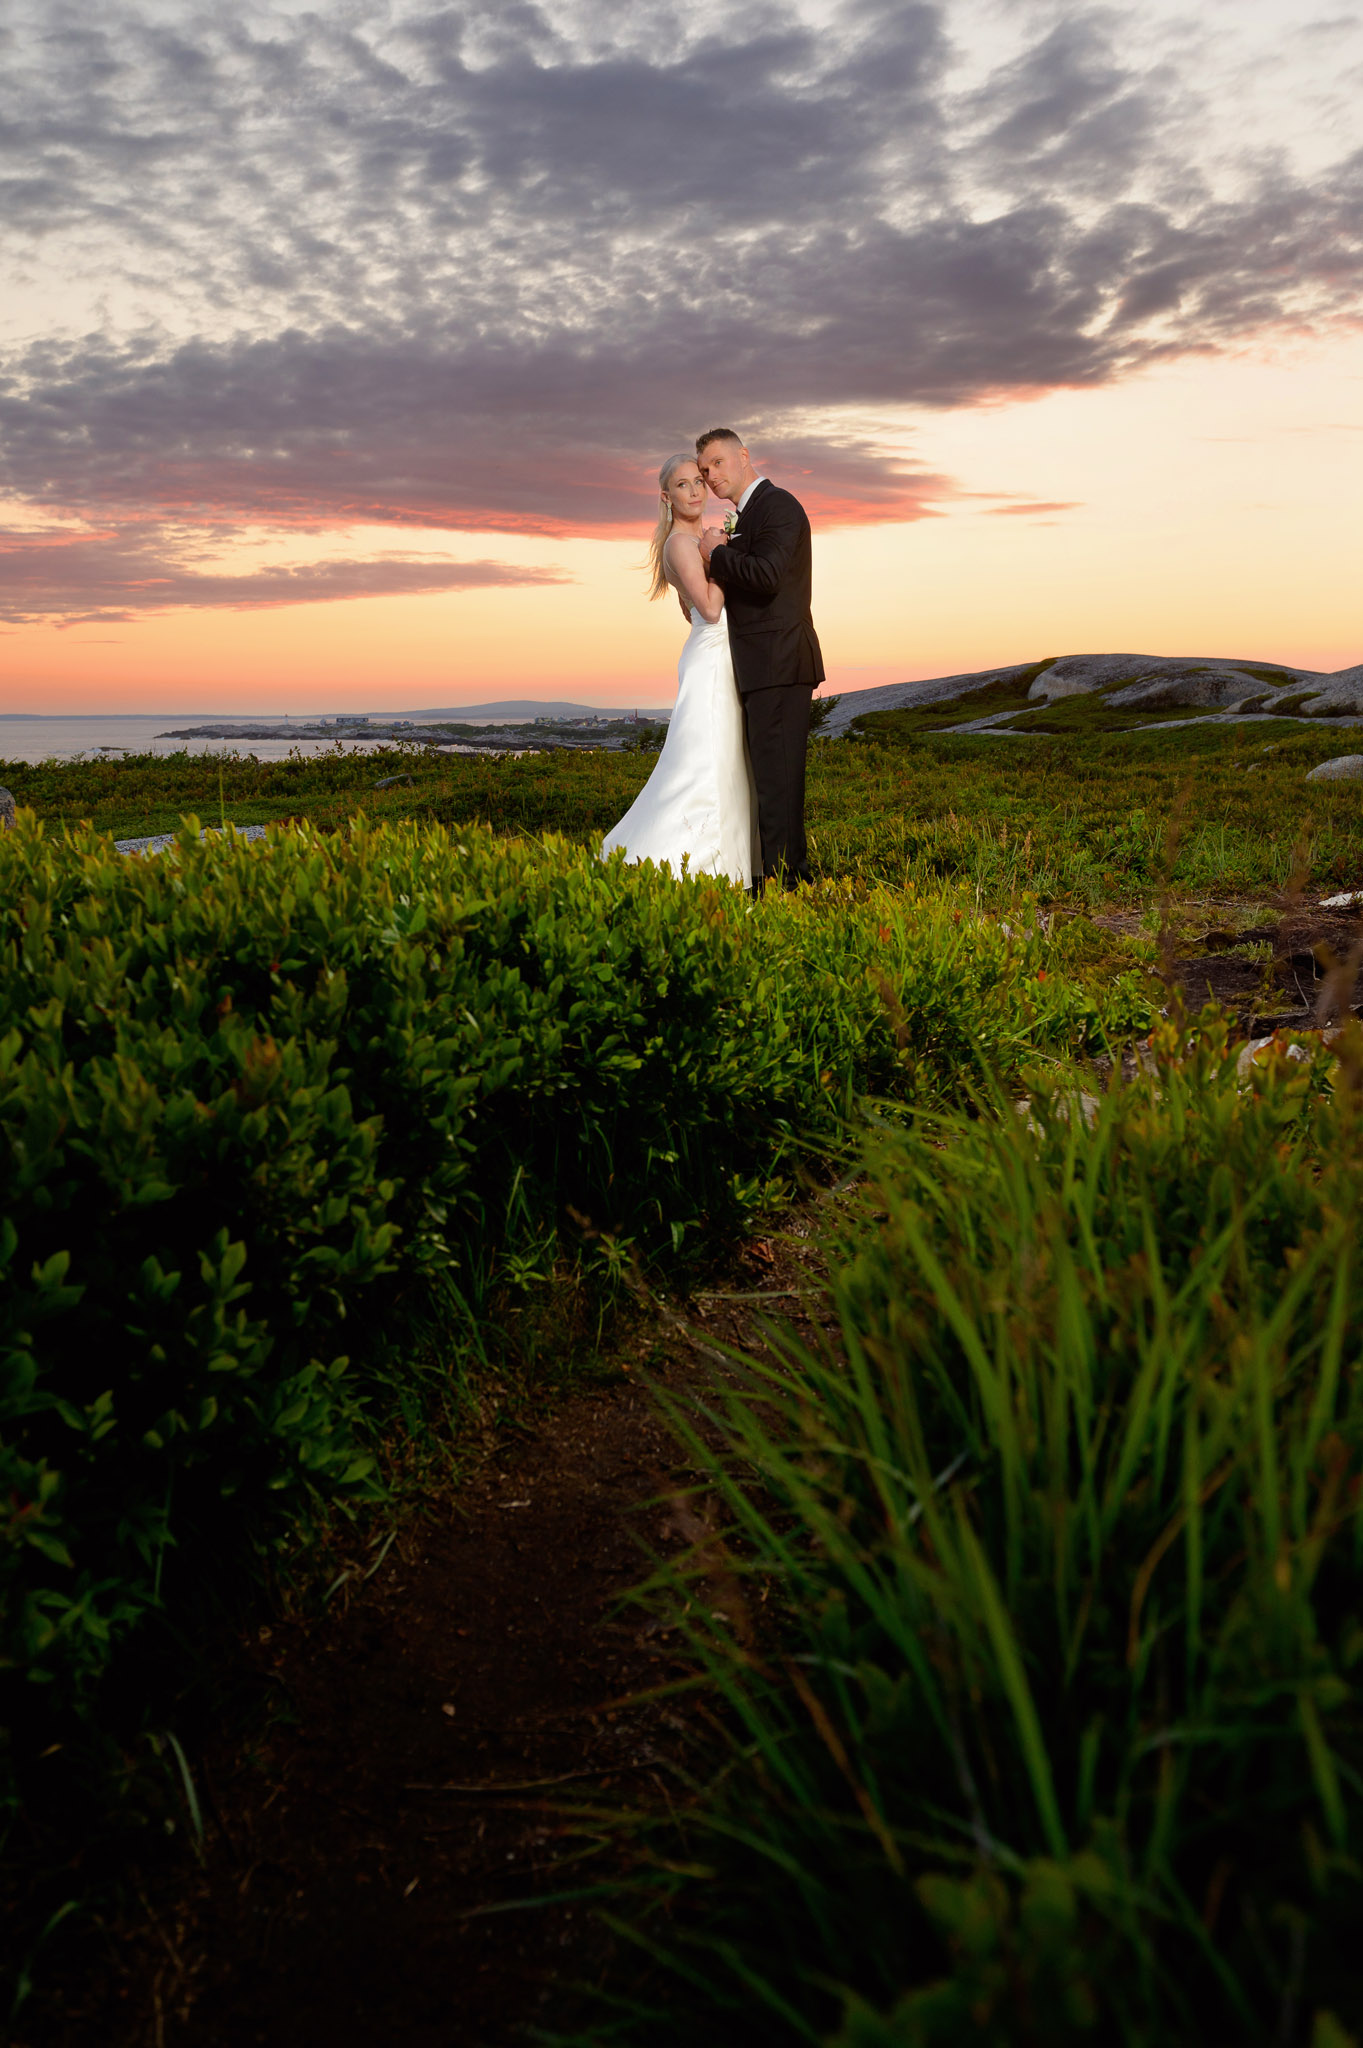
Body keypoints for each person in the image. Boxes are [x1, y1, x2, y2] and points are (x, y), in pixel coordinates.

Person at [601, 454, 759, 887]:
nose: (694, 491)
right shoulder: (679, 544)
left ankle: (729, 866)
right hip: (710, 663)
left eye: (698, 482)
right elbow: (708, 609)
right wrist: (722, 554)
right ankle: (683, 863)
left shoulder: (696, 541)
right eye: (683, 485)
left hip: (719, 655)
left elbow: (693, 610)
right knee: (703, 761)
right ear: (666, 497)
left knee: (726, 761)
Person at [696, 429, 824, 890]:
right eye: (704, 469)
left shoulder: (778, 506)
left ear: (743, 455)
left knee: (779, 786)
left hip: (781, 662)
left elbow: (768, 576)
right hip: (760, 667)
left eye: (717, 463)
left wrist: (718, 553)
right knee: (769, 786)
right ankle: (783, 883)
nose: (710, 476)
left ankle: (790, 887)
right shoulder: (747, 514)